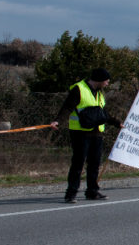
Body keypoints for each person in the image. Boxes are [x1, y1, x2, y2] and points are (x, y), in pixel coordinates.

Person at [50, 67, 123, 203]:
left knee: (94, 163)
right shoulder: (79, 89)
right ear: (99, 80)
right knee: (78, 163)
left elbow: (102, 113)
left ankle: (92, 191)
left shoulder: (100, 93)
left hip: (97, 133)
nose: (107, 83)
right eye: (106, 81)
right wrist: (58, 121)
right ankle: (71, 193)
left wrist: (117, 123)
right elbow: (67, 107)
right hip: (80, 132)